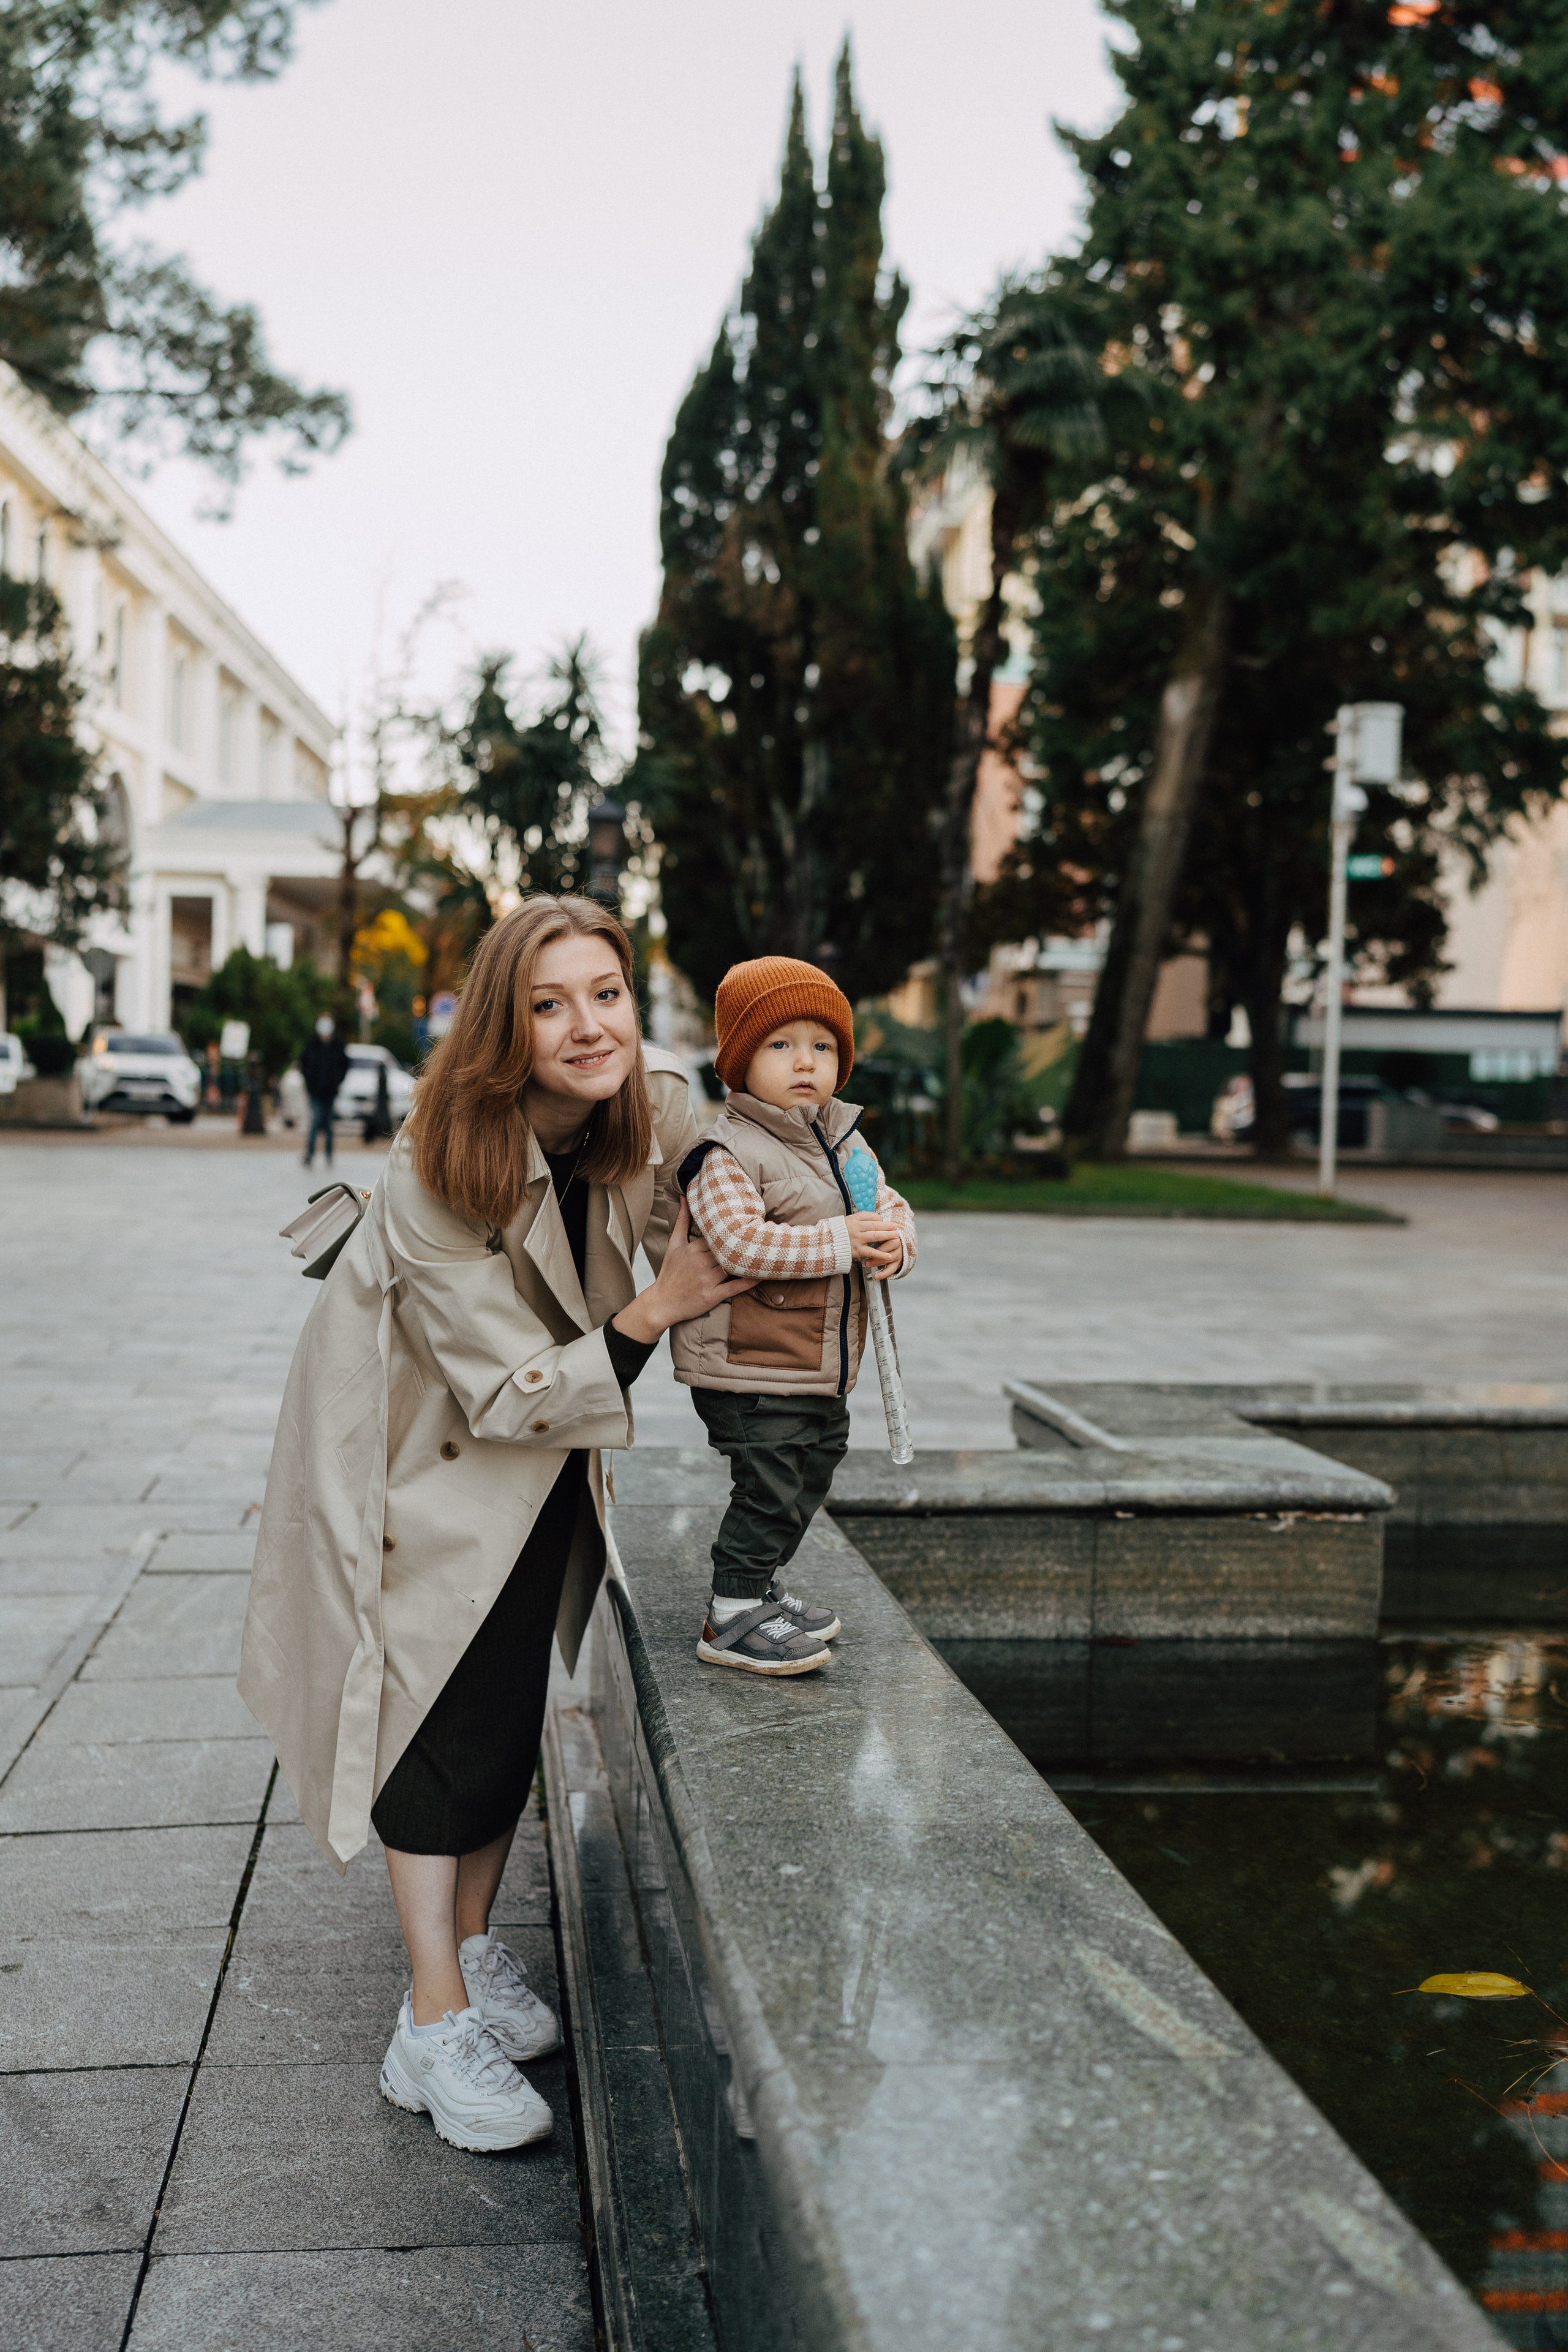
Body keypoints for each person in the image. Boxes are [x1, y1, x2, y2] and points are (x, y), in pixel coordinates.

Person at [238, 896, 747, 2154]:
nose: (588, 1026)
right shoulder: (437, 1168)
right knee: (432, 1724)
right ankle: (429, 2020)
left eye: (607, 993)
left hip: (542, 1460)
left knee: (507, 1710)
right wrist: (660, 1306)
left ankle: (468, 1950)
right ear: (500, 1027)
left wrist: (784, 1185)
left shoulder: (635, 1104)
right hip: (422, 1460)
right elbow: (503, 1389)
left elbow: (709, 1119)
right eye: (549, 1003)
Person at [673, 956, 916, 1676]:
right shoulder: (727, 1152)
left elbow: (889, 1204)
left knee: (813, 1470)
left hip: (814, 1364)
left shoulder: (843, 1141)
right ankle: (729, 1615)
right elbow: (738, 1242)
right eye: (780, 1045)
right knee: (769, 1484)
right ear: (738, 1062)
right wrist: (841, 1239)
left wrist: (894, 1242)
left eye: (821, 1045)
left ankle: (759, 1589)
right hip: (749, 1362)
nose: (804, 1061)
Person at [298, 1014, 350, 1169]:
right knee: (315, 1121)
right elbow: (304, 1063)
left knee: (328, 1124)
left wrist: (337, 1082)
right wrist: (309, 1082)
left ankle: (328, 1154)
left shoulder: (337, 1046)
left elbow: (345, 1065)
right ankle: (310, 1154)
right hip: (315, 1091)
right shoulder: (312, 1045)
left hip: (330, 1092)